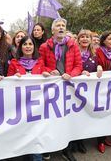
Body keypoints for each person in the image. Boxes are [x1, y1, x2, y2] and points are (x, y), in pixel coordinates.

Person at [39, 18, 82, 161]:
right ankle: (47, 148)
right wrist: (50, 71)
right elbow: (41, 65)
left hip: (68, 87)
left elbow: (78, 65)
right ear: (53, 30)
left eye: (63, 25)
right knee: (50, 117)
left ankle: (66, 150)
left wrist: (71, 75)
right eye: (58, 25)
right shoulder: (45, 46)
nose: (61, 27)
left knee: (67, 118)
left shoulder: (73, 45)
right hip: (51, 88)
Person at [95, 30, 111, 153]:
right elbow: (96, 66)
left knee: (110, 112)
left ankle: (105, 137)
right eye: (110, 39)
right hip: (100, 87)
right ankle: (100, 141)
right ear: (104, 40)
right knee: (101, 113)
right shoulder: (97, 51)